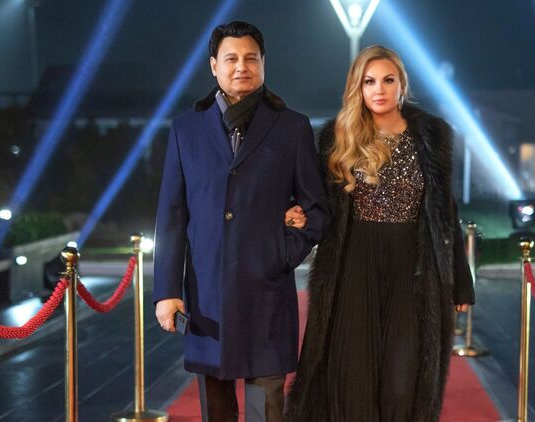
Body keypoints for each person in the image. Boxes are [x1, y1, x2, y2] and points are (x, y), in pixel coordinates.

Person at [285, 45, 475, 421]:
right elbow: (319, 202)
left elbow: (444, 214)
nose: (379, 89)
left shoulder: (432, 136)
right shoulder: (337, 138)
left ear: (402, 84)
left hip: (411, 273)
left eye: (388, 80)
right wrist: (298, 212)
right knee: (353, 381)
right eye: (369, 81)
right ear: (357, 87)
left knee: (402, 385)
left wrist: (461, 283)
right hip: (353, 270)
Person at [153, 21, 330, 422]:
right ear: (213, 66)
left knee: (265, 407)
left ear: (263, 63)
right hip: (206, 295)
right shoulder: (186, 130)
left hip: (267, 289)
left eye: (251, 58)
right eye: (231, 58)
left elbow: (317, 209)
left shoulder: (292, 127)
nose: (241, 67)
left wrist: (284, 251)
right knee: (216, 407)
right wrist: (166, 290)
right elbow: (172, 215)